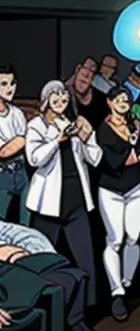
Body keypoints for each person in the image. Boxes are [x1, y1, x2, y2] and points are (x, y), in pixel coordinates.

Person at [25, 81, 102, 304]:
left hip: (76, 201)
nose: (60, 104)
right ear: (46, 101)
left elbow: (94, 159)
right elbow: (34, 158)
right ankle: (40, 309)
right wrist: (57, 140)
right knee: (43, 260)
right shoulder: (36, 126)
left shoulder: (73, 124)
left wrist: (89, 137)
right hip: (48, 206)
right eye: (55, 100)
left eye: (64, 100)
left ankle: (83, 315)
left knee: (85, 260)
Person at [94, 87, 140, 322]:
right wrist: (132, 156)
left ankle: (126, 282)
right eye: (118, 100)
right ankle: (116, 291)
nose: (122, 103)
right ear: (109, 103)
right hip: (110, 190)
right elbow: (111, 161)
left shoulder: (135, 126)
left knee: (133, 238)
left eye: (126, 100)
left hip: (137, 188)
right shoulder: (104, 129)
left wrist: (133, 155)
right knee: (115, 239)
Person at [0, 220, 102, 331]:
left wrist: (22, 251)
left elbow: (13, 231)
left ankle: (74, 321)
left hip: (18, 260)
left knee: (68, 275)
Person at [0, 68, 29, 225]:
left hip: (22, 172)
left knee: (26, 222)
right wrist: (20, 140)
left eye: (12, 83)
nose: (10, 88)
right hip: (2, 174)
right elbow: (4, 152)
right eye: (4, 84)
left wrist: (21, 141)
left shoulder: (17, 113)